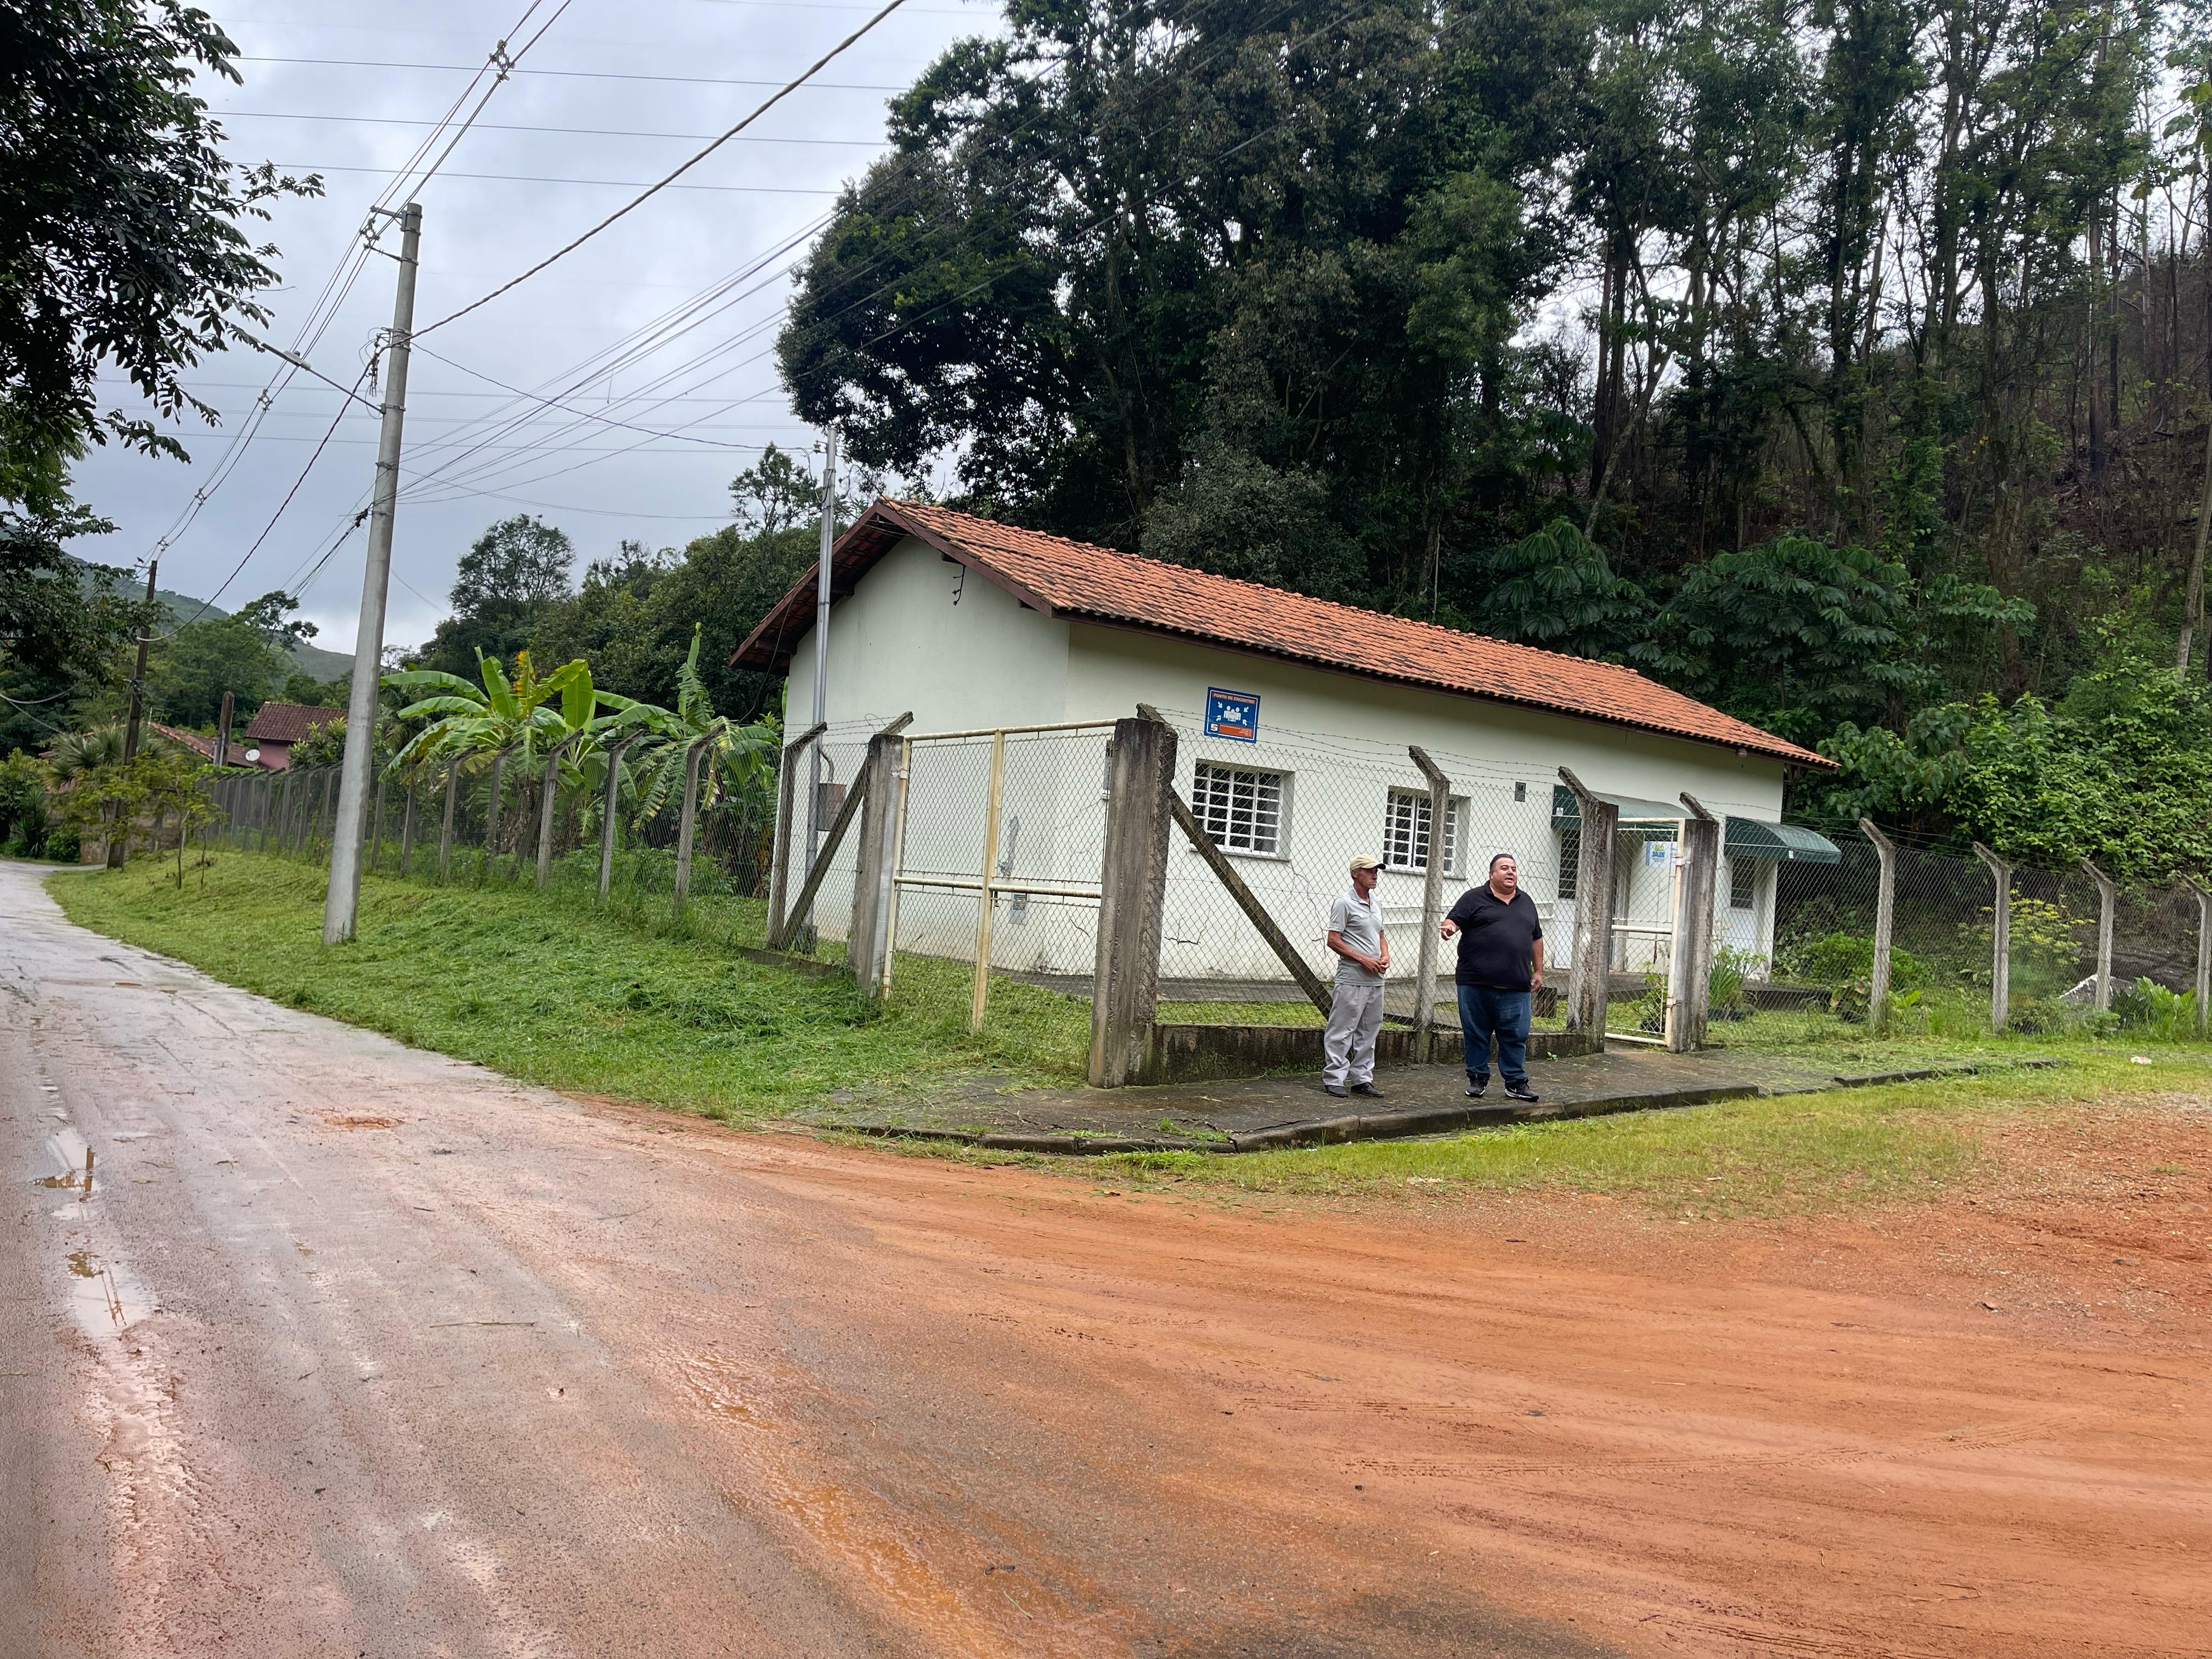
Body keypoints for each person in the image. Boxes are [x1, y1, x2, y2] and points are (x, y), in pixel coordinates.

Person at [1440, 852, 1543, 1102]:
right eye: (1505, 868)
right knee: (1476, 1033)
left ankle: (1516, 1083)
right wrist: (1449, 927)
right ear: (1491, 874)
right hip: (1476, 984)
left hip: (1517, 985)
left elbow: (1536, 938)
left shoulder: (1526, 902)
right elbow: (1453, 920)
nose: (1511, 872)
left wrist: (1539, 971)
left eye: (1514, 869)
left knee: (1516, 1035)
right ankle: (1477, 1079)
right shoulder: (1474, 898)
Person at [1322, 854, 1390, 1099]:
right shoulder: (1344, 903)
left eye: (1376, 871)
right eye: (1370, 871)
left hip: (1376, 979)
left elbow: (1381, 934)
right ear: (1355, 874)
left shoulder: (1376, 903)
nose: (1374, 875)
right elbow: (1333, 940)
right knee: (1342, 1029)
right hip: (1352, 978)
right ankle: (1334, 1078)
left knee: (1369, 1030)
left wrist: (1384, 956)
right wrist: (1363, 959)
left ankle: (1362, 1079)